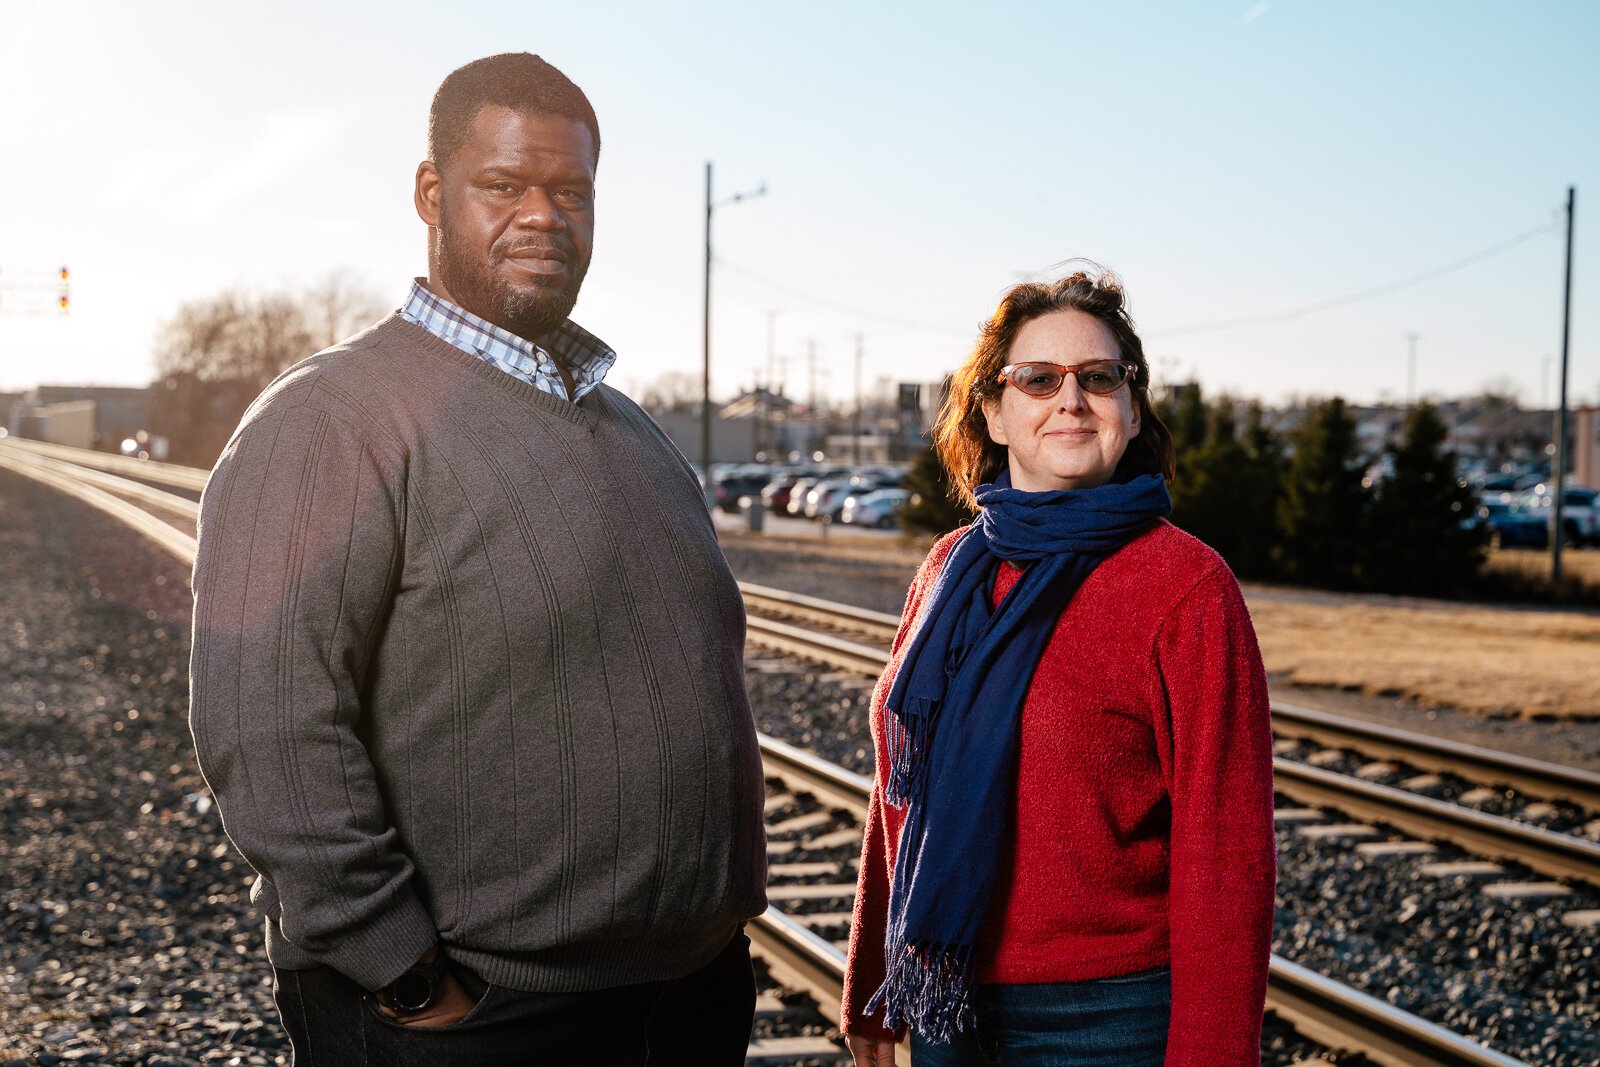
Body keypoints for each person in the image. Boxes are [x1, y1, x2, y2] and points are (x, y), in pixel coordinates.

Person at [189, 53, 767, 1066]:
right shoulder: (329, 419)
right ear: (431, 194)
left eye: (571, 191)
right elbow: (268, 724)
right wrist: (401, 970)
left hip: (682, 1000)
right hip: (481, 1016)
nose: (543, 215)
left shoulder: (632, 429)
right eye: (503, 185)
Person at [841, 269, 1276, 1066]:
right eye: (1037, 378)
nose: (1070, 399)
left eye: (1100, 376)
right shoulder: (949, 569)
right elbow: (900, 797)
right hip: (944, 996)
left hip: (1105, 1019)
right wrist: (873, 985)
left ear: (1132, 407)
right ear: (996, 413)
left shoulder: (1187, 588)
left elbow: (1229, 857)